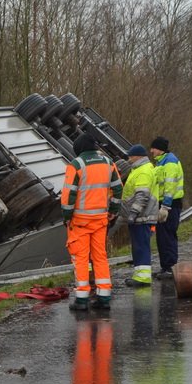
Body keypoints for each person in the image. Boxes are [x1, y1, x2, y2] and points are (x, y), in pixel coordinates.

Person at [61, 133, 123, 311]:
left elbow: (68, 195)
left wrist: (66, 217)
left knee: (80, 259)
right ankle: (104, 298)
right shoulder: (108, 162)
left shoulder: (76, 165)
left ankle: (82, 299)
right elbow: (118, 189)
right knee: (100, 257)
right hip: (100, 220)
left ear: (79, 149)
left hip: (80, 221)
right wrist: (113, 212)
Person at [121, 144, 159, 287]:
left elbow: (142, 195)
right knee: (139, 246)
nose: (129, 158)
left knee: (141, 247)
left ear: (138, 156)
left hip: (142, 216)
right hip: (142, 216)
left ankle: (142, 279)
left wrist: (133, 213)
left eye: (130, 156)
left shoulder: (142, 171)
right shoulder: (141, 169)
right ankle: (139, 276)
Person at [150, 136, 184, 279]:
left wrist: (165, 207)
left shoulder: (169, 162)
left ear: (160, 149)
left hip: (170, 205)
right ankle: (166, 267)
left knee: (167, 236)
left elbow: (170, 186)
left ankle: (170, 268)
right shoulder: (162, 161)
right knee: (163, 237)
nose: (151, 151)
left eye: (153, 148)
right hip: (167, 204)